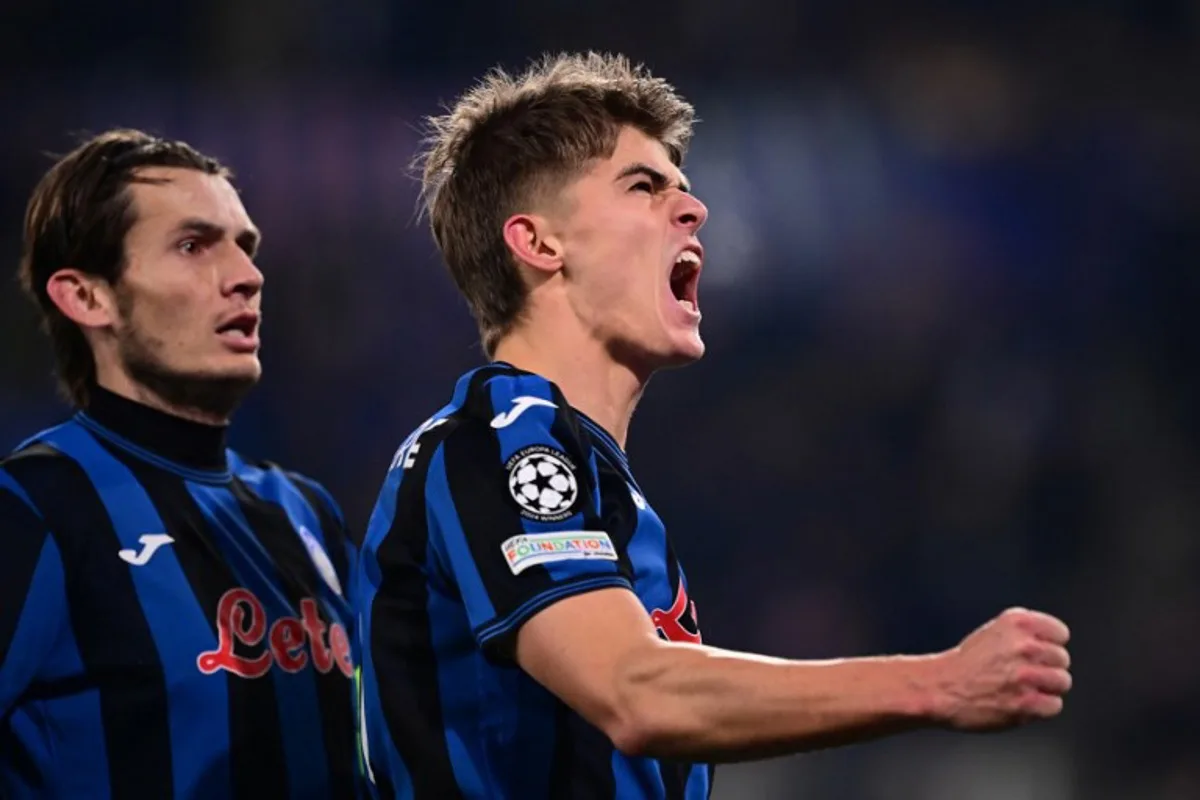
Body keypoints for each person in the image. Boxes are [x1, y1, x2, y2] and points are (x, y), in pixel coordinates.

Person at [353, 53, 1072, 799]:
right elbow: (637, 692)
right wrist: (938, 684)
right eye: (644, 187)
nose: (693, 210)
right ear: (539, 244)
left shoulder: (599, 488)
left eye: (684, 190)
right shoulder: (499, 441)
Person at [0, 129, 360, 798]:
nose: (247, 276)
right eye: (194, 246)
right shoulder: (35, 508)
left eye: (245, 247)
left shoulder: (305, 512)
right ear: (88, 298)